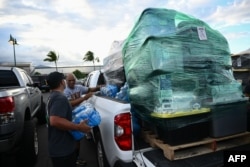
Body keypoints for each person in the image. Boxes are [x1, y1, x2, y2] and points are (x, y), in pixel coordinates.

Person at [46, 71, 91, 167]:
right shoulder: (59, 98)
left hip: (58, 147)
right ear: (62, 82)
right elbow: (54, 120)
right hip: (62, 150)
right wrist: (78, 127)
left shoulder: (52, 96)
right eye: (64, 80)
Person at [64, 73, 102, 166]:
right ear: (66, 81)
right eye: (69, 80)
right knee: (73, 139)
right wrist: (84, 98)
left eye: (73, 80)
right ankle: (74, 159)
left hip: (80, 115)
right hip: (71, 117)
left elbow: (89, 89)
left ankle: (76, 157)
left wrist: (100, 87)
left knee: (78, 138)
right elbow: (70, 104)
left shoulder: (79, 87)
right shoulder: (65, 92)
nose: (72, 82)